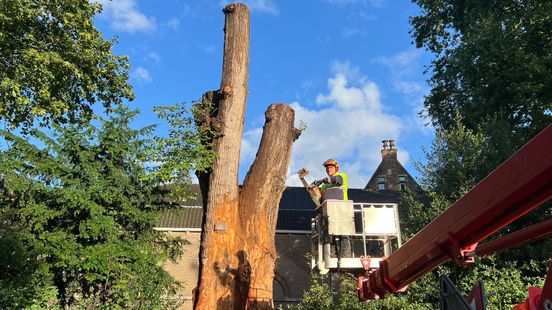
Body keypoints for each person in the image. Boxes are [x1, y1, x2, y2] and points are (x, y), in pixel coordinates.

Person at [312, 159, 351, 259]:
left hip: (341, 210)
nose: (328, 169)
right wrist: (315, 190)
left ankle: (346, 258)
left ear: (336, 168)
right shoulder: (324, 186)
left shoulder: (342, 176)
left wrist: (323, 180)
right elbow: (320, 199)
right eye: (327, 168)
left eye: (330, 167)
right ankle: (332, 258)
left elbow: (337, 181)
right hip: (328, 213)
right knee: (330, 237)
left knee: (343, 234)